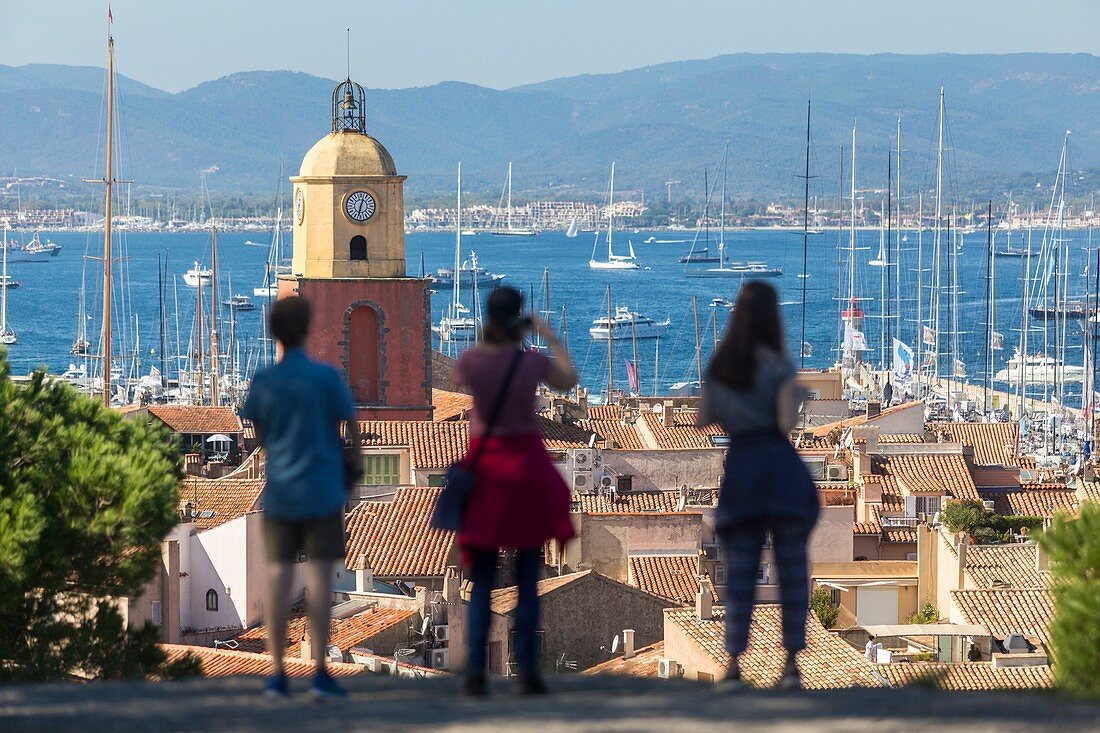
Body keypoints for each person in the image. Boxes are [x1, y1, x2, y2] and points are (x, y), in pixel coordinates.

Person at [454, 287, 578, 697]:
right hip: (526, 470)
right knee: (528, 576)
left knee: (483, 579)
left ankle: (475, 670)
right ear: (519, 319)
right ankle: (528, 671)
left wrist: (491, 337)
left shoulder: (472, 360)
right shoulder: (531, 363)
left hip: (487, 472)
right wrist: (548, 335)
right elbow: (568, 380)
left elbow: (462, 375)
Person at [698, 281, 819, 691]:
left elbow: (702, 417)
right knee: (791, 569)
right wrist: (793, 397)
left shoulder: (721, 367)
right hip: (781, 469)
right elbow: (785, 423)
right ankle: (790, 665)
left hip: (744, 469)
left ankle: (732, 664)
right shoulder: (779, 366)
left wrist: (736, 408)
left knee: (740, 570)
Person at [240, 296, 361, 700]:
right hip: (324, 490)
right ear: (308, 330)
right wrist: (353, 470)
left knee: (277, 580)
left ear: (274, 332)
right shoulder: (326, 378)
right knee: (321, 581)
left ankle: (277, 674)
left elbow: (257, 433)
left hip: (280, 493)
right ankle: (321, 674)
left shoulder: (263, 381)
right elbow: (351, 423)